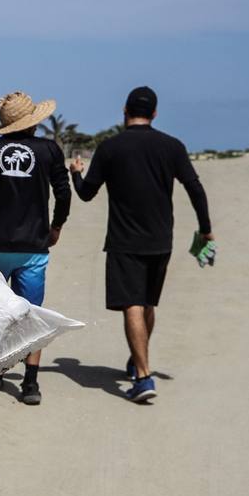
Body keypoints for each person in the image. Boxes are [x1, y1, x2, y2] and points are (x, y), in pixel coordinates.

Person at [70, 85, 213, 403]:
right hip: (162, 239)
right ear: (155, 113)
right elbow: (195, 188)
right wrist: (205, 229)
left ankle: (144, 377)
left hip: (124, 240)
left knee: (132, 304)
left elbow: (86, 193)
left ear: (125, 111)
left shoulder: (110, 147)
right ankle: (138, 361)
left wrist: (75, 174)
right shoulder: (171, 146)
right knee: (147, 303)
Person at [0, 91, 71, 406]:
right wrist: (57, 225)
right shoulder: (49, 150)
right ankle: (30, 384)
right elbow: (63, 193)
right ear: (34, 121)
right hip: (34, 246)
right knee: (31, 315)